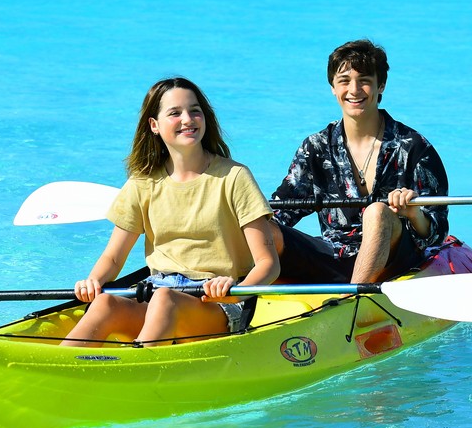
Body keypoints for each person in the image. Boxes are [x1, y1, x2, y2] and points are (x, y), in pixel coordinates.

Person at [62, 77, 280, 347]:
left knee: (166, 299)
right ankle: (60, 365)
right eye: (175, 113)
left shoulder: (235, 177)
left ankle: (138, 363)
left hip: (216, 303)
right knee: (106, 302)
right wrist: (93, 281)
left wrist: (233, 293)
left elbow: (268, 264)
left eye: (195, 111)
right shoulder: (142, 183)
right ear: (154, 125)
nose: (187, 119)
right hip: (156, 293)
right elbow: (113, 257)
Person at [271, 38, 449, 284]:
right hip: (334, 255)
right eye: (344, 81)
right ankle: (233, 297)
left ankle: (352, 296)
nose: (354, 90)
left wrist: (413, 213)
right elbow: (280, 212)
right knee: (262, 228)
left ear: (381, 85)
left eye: (364, 80)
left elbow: (437, 232)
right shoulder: (316, 147)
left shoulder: (414, 147)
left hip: (395, 258)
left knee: (377, 212)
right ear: (333, 87)